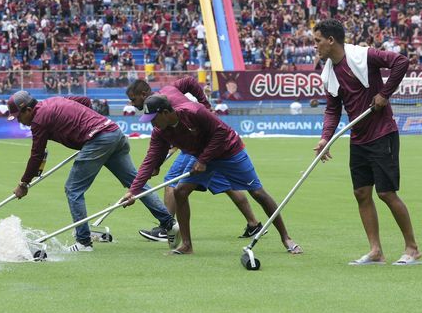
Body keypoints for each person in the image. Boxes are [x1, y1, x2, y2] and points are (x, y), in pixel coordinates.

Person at [126, 94, 301, 256]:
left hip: (230, 152)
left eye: (154, 119)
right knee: (180, 192)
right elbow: (150, 160)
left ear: (165, 113)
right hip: (203, 158)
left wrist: (203, 160)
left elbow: (221, 133)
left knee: (258, 193)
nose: (151, 124)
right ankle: (186, 245)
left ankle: (286, 238)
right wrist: (133, 192)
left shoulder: (194, 112)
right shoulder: (160, 132)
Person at [8, 90, 177, 252]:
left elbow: (37, 155)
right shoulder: (54, 100)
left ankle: (83, 242)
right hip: (113, 131)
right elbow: (85, 101)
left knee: (73, 189)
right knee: (136, 183)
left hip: (99, 139)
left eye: (19, 117)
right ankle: (170, 223)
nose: (19, 121)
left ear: (28, 110)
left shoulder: (38, 120)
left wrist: (23, 184)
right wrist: (84, 127)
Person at [313, 19, 421, 266]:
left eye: (318, 41)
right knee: (361, 193)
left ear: (331, 40)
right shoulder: (328, 72)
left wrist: (384, 94)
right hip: (358, 138)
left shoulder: (363, 55)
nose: (315, 46)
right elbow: (332, 110)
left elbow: (400, 62)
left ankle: (412, 249)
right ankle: (376, 252)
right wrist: (324, 139)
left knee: (385, 193)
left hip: (383, 133)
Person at [126, 79, 261, 238]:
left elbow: (190, 85)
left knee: (172, 182)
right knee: (223, 183)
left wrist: (205, 105)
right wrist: (156, 164)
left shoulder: (166, 105)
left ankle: (167, 228)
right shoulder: (160, 102)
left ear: (143, 94)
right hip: (200, 147)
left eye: (133, 99)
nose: (132, 104)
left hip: (199, 147)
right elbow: (159, 145)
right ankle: (253, 223)